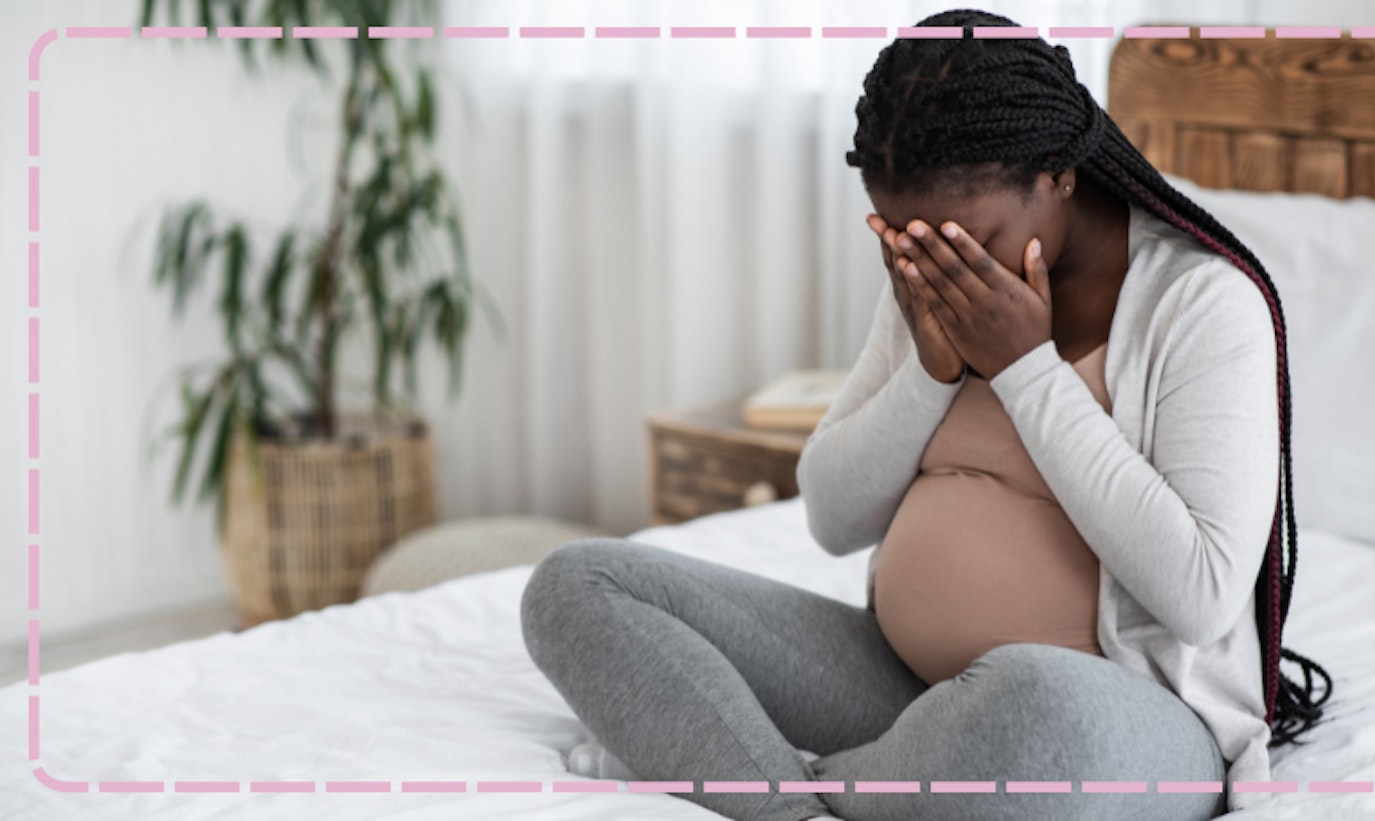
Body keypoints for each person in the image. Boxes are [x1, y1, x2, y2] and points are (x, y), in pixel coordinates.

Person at [520, 9, 1332, 821]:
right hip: (900, 686)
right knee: (577, 584)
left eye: (971, 239)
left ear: (1059, 174)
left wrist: (1025, 370)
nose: (947, 264)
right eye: (911, 240)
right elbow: (832, 518)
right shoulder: (932, 271)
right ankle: (815, 801)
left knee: (1036, 705)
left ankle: (779, 777)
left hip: (1114, 716)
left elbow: (1199, 594)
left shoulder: (1202, 305)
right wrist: (932, 375)